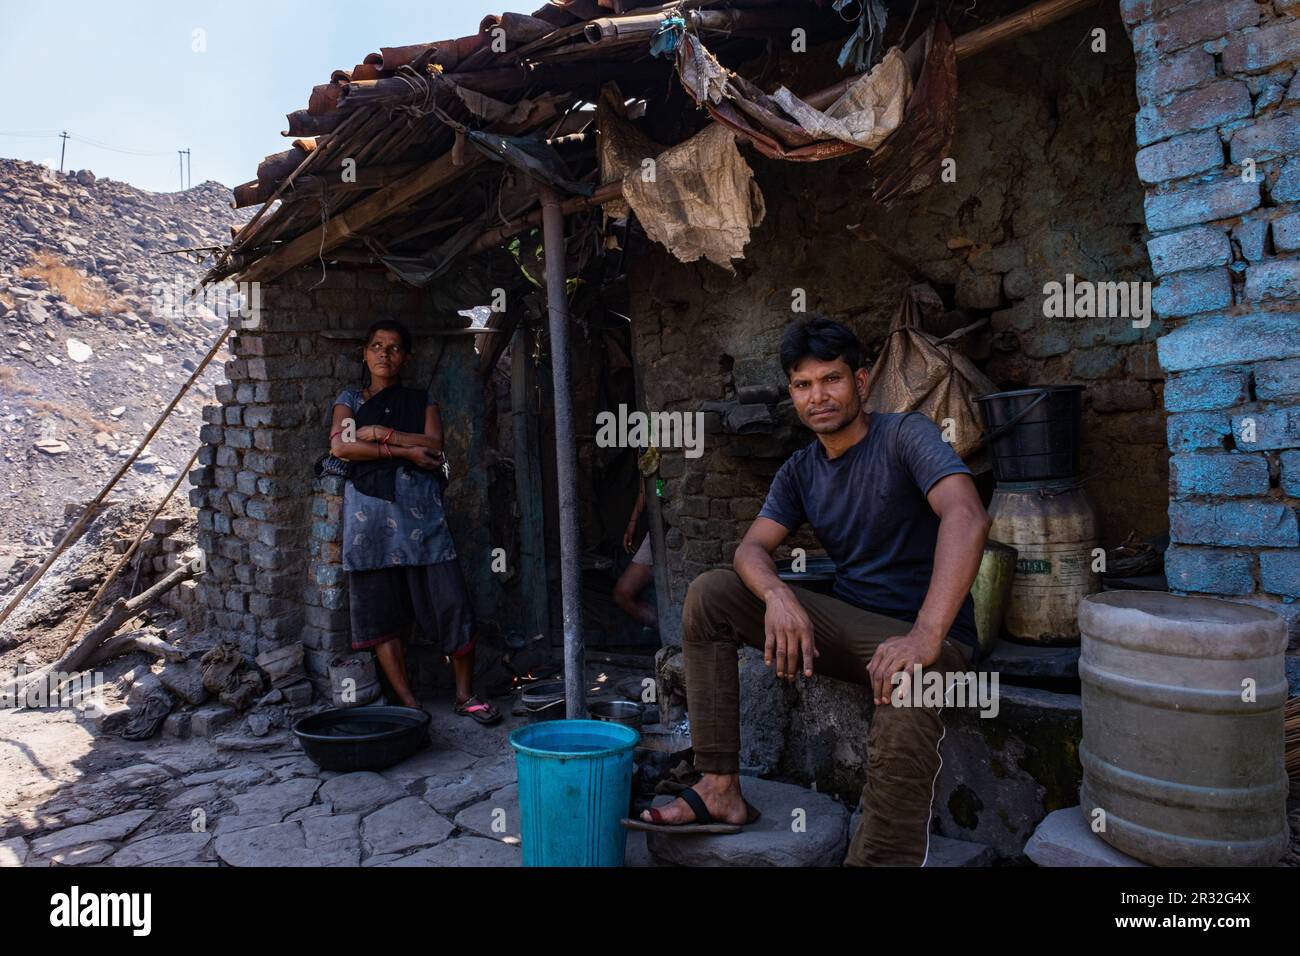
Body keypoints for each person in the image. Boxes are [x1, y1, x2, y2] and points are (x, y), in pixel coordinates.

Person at [631, 316, 990, 865]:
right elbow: (751, 549)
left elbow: (966, 515)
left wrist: (924, 636)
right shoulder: (801, 470)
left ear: (861, 382)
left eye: (831, 379)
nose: (817, 396)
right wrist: (778, 597)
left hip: (932, 636)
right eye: (802, 385)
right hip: (849, 627)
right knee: (710, 594)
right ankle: (720, 787)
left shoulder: (904, 435)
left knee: (911, 681)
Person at [328, 319, 500, 724]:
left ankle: (464, 695)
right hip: (369, 520)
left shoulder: (421, 398)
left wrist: (378, 432)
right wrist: (403, 451)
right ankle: (409, 704)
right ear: (364, 353)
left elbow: (434, 444)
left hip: (421, 516)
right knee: (380, 609)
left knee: (450, 601)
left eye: (393, 348)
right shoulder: (349, 399)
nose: (384, 354)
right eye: (376, 346)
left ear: (406, 357)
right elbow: (341, 446)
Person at [613, 485, 657, 628]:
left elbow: (657, 488)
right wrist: (633, 523)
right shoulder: (649, 477)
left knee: (622, 594)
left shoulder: (659, 480)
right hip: (653, 531)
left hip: (658, 534)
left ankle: (664, 627)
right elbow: (645, 489)